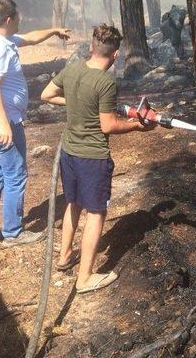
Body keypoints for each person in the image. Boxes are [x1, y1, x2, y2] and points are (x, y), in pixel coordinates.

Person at [41, 24, 155, 294]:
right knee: (96, 213)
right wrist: (137, 126)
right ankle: (85, 279)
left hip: (69, 153)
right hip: (92, 158)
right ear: (115, 55)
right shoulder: (105, 83)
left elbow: (46, 94)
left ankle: (65, 255)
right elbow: (108, 126)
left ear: (91, 47)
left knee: (73, 203)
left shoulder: (73, 69)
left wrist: (76, 103)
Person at [0, 0, 70, 248]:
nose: (19, 22)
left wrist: (54, 30)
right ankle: (13, 233)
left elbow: (30, 37)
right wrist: (4, 124)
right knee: (15, 176)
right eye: (17, 18)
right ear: (8, 19)